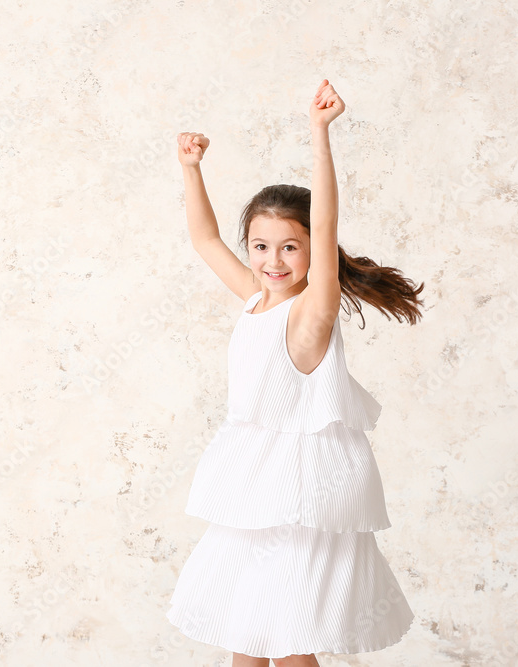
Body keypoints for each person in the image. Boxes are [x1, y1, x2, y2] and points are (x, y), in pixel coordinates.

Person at [166, 79, 425, 666]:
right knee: (248, 644)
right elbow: (205, 239)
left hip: (302, 498)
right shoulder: (256, 301)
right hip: (252, 492)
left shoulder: (312, 312)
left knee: (286, 647)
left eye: (290, 247)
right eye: (260, 247)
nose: (271, 261)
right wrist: (191, 169)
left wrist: (320, 133)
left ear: (313, 253)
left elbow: (328, 228)